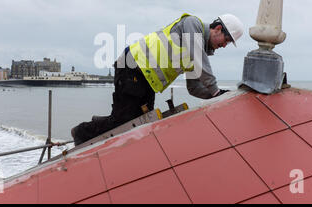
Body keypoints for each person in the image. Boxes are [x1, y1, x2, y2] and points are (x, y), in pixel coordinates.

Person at [71, 13, 244, 145]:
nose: (224, 45)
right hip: (132, 67)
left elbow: (193, 87)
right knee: (125, 122)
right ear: (218, 29)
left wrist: (218, 96)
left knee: (140, 124)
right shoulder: (193, 24)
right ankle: (81, 132)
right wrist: (215, 90)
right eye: (226, 40)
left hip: (146, 80)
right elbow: (199, 59)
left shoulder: (196, 53)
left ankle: (96, 126)